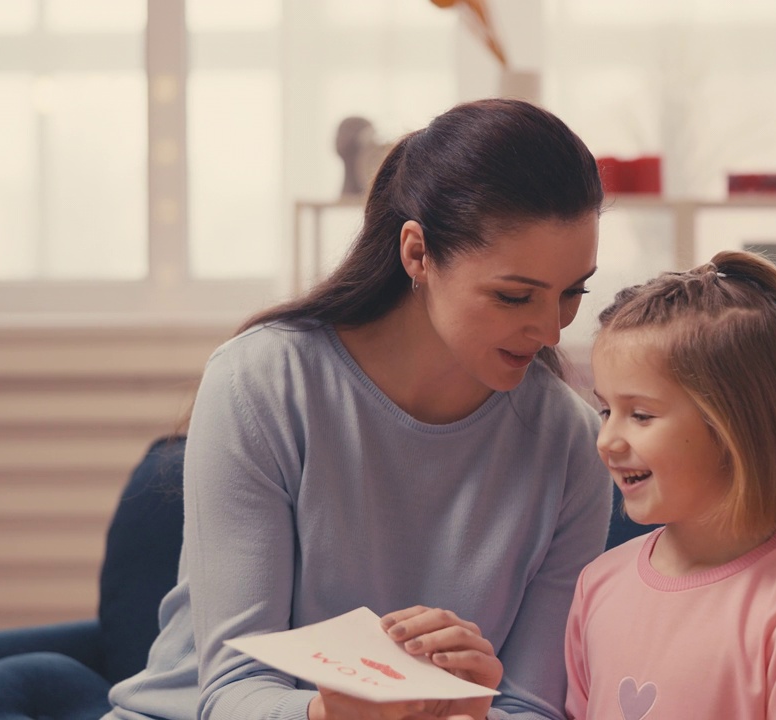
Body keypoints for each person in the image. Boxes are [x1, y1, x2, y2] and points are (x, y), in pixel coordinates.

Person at [106, 98, 612, 720]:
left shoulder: (572, 444)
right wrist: (335, 713)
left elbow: (533, 705)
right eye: (514, 296)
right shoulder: (262, 382)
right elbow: (233, 689)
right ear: (418, 254)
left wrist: (475, 712)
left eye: (573, 292)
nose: (552, 331)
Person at [564, 251, 776, 719]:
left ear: (735, 428)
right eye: (606, 410)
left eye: (641, 415)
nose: (606, 440)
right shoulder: (597, 586)